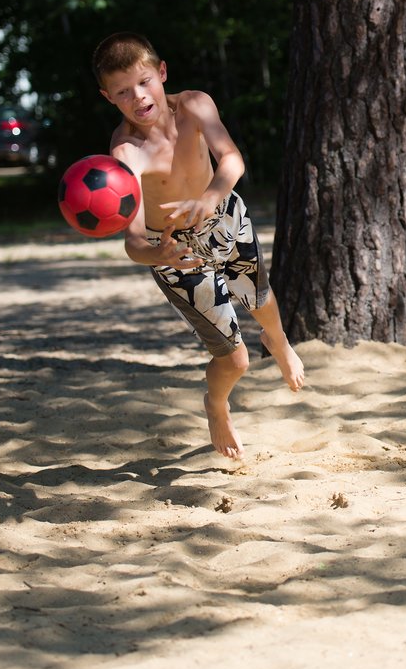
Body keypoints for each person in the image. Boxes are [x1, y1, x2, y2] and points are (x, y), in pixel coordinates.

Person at [92, 32, 305, 459]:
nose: (138, 96)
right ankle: (216, 404)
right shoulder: (125, 151)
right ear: (108, 97)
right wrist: (157, 254)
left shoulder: (194, 104)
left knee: (260, 298)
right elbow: (133, 240)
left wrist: (209, 197)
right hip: (175, 251)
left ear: (162, 72)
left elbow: (232, 159)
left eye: (144, 81)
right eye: (122, 91)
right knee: (235, 359)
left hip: (222, 213)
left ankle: (279, 341)